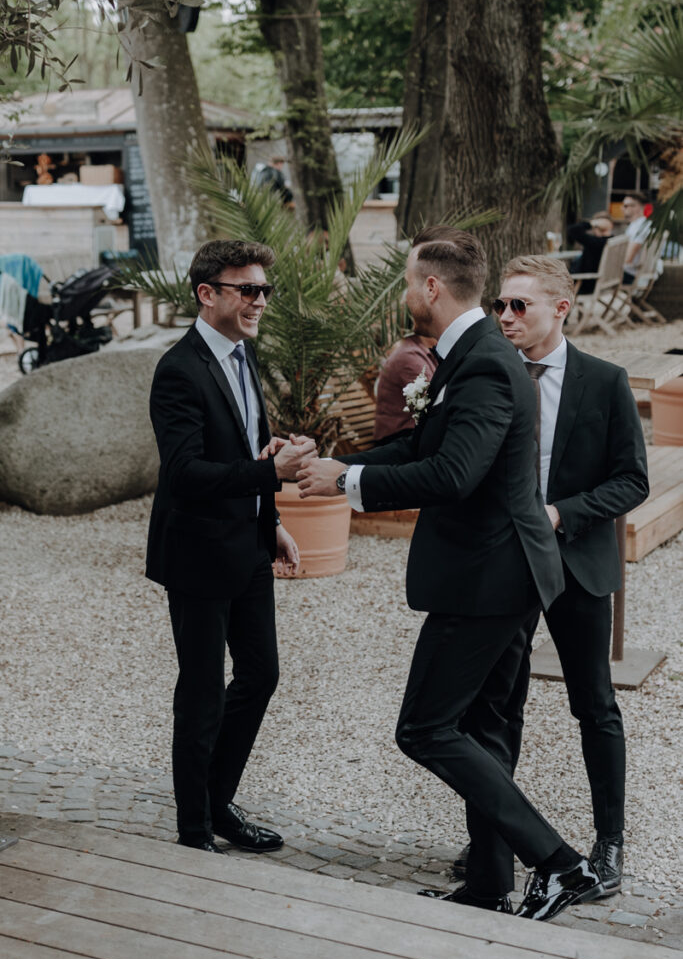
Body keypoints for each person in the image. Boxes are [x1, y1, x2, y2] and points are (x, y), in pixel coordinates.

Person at [296, 227, 606, 923]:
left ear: (431, 287)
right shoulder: (470, 354)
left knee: (425, 727)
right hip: (502, 572)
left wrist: (346, 483)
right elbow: (423, 445)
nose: (405, 292)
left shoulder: (485, 364)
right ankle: (490, 883)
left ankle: (561, 863)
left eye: (409, 281)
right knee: (484, 729)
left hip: (489, 577)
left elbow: (452, 474)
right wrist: (340, 465)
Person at [146, 239, 316, 854]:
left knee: (261, 676)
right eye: (247, 289)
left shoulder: (245, 354)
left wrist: (271, 519)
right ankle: (194, 829)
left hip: (248, 544)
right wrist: (270, 474)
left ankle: (218, 802)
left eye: (264, 290)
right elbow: (185, 473)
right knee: (200, 694)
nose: (260, 300)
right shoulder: (178, 369)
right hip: (196, 553)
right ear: (206, 293)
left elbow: (245, 448)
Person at [491, 254, 649, 896]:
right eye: (500, 305)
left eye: (519, 305)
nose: (505, 317)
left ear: (561, 308)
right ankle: (494, 842)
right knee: (498, 705)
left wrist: (561, 514)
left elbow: (632, 480)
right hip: (504, 562)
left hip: (577, 562)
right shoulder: (490, 374)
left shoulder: (605, 381)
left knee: (595, 705)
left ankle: (609, 843)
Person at [373, 333, 437, 444]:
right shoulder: (410, 356)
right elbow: (432, 404)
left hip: (411, 432)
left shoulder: (421, 351)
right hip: (397, 437)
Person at [567, 213, 614, 288]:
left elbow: (572, 230)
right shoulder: (613, 242)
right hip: (602, 283)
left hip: (585, 284)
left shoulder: (596, 243)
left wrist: (591, 223)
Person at [621, 193, 651, 281]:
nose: (622, 208)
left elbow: (628, 258)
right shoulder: (640, 224)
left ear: (637, 207)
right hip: (635, 273)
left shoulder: (639, 227)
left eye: (626, 206)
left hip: (631, 274)